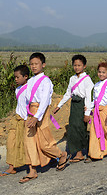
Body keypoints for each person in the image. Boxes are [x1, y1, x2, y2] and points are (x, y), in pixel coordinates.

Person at [21, 53, 68, 183]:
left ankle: (61, 154)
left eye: (36, 64)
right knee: (29, 141)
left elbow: (44, 101)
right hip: (30, 112)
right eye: (31, 64)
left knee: (43, 142)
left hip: (40, 112)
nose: (34, 66)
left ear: (43, 65)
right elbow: (26, 100)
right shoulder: (30, 81)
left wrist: (36, 117)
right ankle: (32, 170)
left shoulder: (46, 81)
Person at [53, 55, 94, 163]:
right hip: (74, 105)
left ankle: (81, 153)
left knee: (80, 128)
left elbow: (88, 97)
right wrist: (59, 106)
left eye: (79, 65)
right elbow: (68, 94)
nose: (77, 67)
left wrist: (87, 113)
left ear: (84, 66)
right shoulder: (72, 79)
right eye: (75, 65)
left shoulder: (87, 80)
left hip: (82, 105)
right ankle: (77, 152)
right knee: (73, 128)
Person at [0, 65, 29, 177]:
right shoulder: (17, 89)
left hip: (25, 120)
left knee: (26, 144)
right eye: (15, 77)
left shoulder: (29, 89)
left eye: (18, 77)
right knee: (11, 142)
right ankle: (11, 166)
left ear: (25, 77)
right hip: (16, 119)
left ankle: (50, 158)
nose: (15, 80)